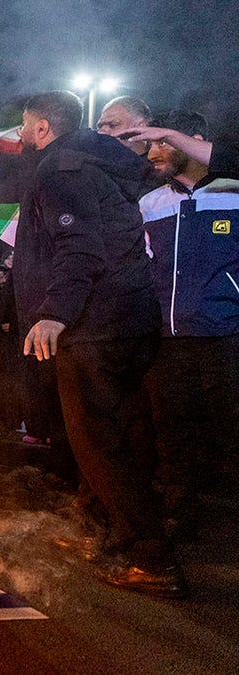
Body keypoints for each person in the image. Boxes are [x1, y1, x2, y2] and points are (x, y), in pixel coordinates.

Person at [13, 90, 180, 598]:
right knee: (122, 436)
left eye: (24, 126)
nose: (20, 135)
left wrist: (54, 315)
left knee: (97, 443)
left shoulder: (61, 168)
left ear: (43, 128)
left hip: (94, 327)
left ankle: (148, 556)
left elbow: (79, 243)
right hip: (131, 319)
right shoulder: (107, 164)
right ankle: (98, 525)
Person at [136, 110, 239, 541]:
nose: (153, 152)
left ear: (192, 140)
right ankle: (181, 512)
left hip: (227, 336)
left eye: (162, 142)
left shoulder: (235, 193)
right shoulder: (150, 203)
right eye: (151, 144)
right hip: (169, 339)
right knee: (173, 431)